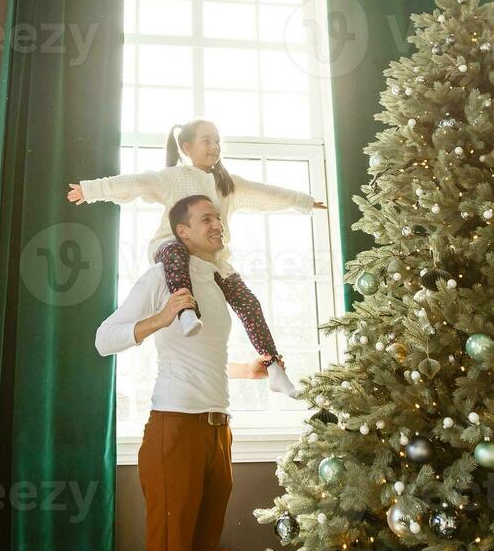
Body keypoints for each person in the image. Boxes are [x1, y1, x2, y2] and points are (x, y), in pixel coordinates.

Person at [95, 194, 270, 551]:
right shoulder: (160, 276)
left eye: (220, 217)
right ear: (181, 231)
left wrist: (251, 369)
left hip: (217, 432)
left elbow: (205, 359)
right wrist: (162, 316)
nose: (218, 224)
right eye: (206, 219)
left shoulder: (219, 280)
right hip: (173, 432)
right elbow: (105, 338)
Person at [70, 117, 325, 397]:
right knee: (177, 250)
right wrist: (91, 190)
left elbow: (266, 193)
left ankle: (275, 368)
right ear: (187, 147)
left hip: (212, 260)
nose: (215, 147)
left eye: (217, 141)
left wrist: (304, 201)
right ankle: (186, 312)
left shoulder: (226, 184)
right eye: (207, 141)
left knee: (248, 301)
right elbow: (135, 184)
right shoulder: (175, 178)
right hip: (170, 246)